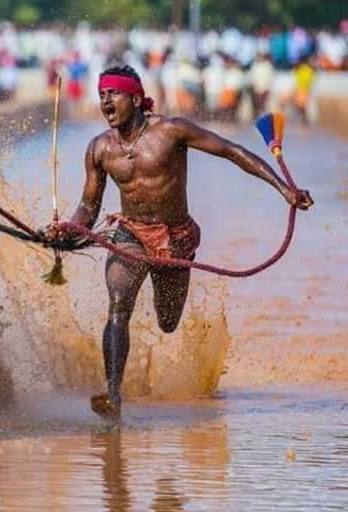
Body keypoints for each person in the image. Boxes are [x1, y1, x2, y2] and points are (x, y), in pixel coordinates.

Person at [43, 65, 313, 422]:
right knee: (118, 303)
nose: (105, 100)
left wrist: (284, 190)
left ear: (136, 99)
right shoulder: (100, 149)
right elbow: (87, 211)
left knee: (168, 321)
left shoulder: (172, 131)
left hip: (176, 239)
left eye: (114, 93)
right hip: (131, 235)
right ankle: (112, 395)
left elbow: (232, 151)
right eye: (102, 94)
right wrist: (65, 230)